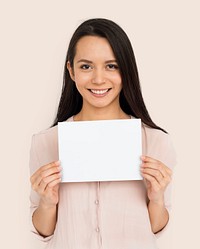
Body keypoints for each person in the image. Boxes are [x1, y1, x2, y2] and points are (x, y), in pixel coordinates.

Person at [29, 18, 176, 249]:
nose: (98, 79)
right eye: (86, 66)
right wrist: (47, 203)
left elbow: (155, 229)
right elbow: (45, 232)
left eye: (112, 66)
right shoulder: (46, 142)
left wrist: (156, 198)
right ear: (71, 70)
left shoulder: (156, 141)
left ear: (126, 70)